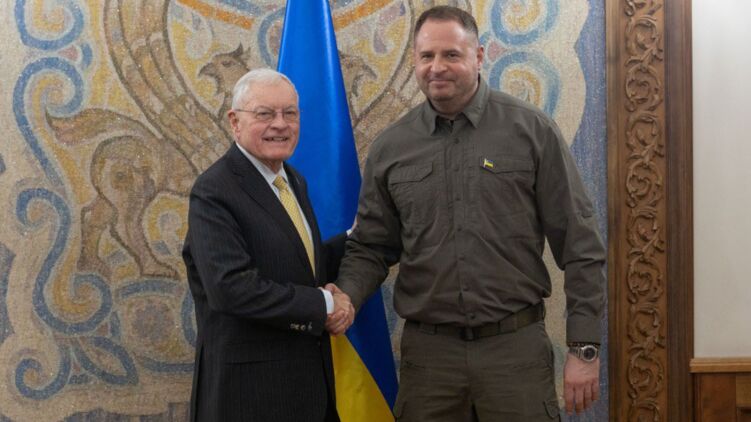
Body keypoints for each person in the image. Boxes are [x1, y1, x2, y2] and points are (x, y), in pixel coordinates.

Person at [334, 6, 605, 421]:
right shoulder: (391, 148)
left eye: (451, 55)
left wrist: (584, 348)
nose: (437, 67)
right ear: (414, 60)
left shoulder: (532, 131)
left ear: (478, 56)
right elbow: (371, 247)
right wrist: (346, 295)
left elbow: (581, 245)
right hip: (429, 361)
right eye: (426, 56)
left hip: (515, 354)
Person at [182, 68, 355, 422]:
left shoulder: (293, 180)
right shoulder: (214, 191)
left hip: (308, 389)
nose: (280, 124)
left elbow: (297, 263)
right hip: (250, 397)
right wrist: (325, 304)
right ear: (235, 122)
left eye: (290, 113)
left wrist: (357, 240)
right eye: (265, 114)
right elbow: (231, 288)